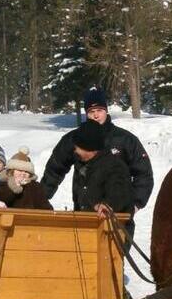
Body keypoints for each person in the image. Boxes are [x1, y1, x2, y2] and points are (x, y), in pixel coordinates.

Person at [41, 87, 153, 215]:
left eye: (99, 110)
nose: (95, 115)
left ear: (106, 111)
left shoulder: (125, 139)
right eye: (91, 111)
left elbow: (143, 173)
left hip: (118, 214)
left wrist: (135, 204)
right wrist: (41, 198)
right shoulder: (74, 138)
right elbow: (55, 169)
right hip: (84, 212)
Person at [70, 119, 134, 230]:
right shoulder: (80, 165)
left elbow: (119, 191)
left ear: (89, 147)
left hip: (112, 231)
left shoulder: (114, 166)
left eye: (78, 146)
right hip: (86, 229)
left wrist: (108, 204)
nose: (75, 150)